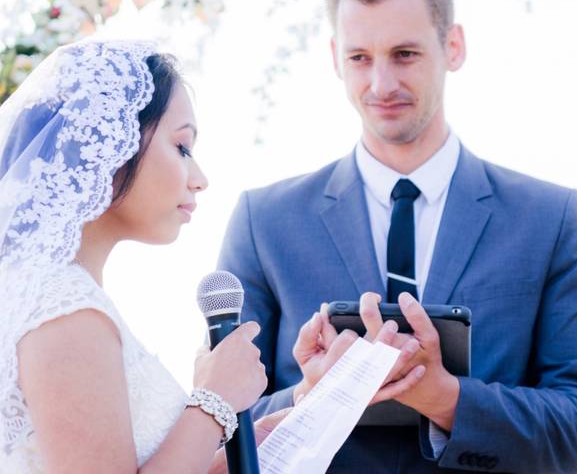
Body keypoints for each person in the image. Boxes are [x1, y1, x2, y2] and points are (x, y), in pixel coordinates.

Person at [217, 0, 577, 473]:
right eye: (360, 58)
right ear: (335, 57)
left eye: (405, 54)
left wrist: (445, 399)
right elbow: (219, 425)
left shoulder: (548, 219)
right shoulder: (264, 223)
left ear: (453, 46)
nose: (381, 85)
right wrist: (308, 395)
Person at [1, 40, 421, 474]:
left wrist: (318, 396)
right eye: (181, 147)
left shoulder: (66, 299)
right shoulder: (64, 312)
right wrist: (213, 399)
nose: (200, 179)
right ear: (110, 143)